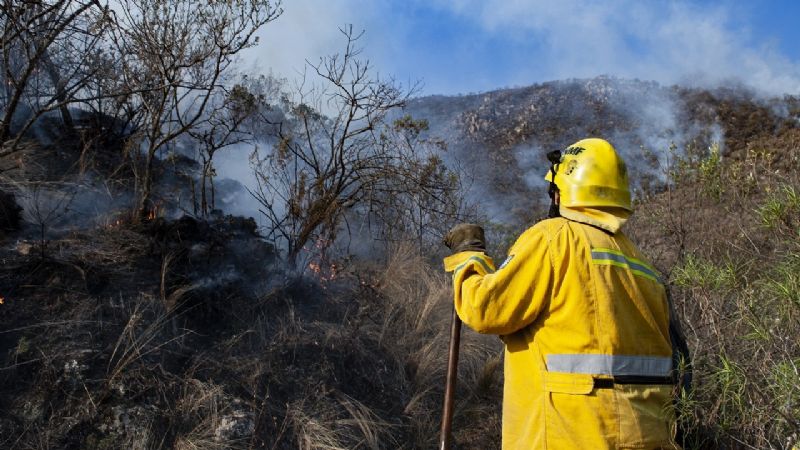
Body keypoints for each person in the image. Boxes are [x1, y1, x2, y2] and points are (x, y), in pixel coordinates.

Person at [443, 138, 681, 449]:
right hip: (650, 436)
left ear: (559, 192)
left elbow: (485, 309)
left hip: (571, 434)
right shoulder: (642, 264)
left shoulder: (554, 238)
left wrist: (468, 255)